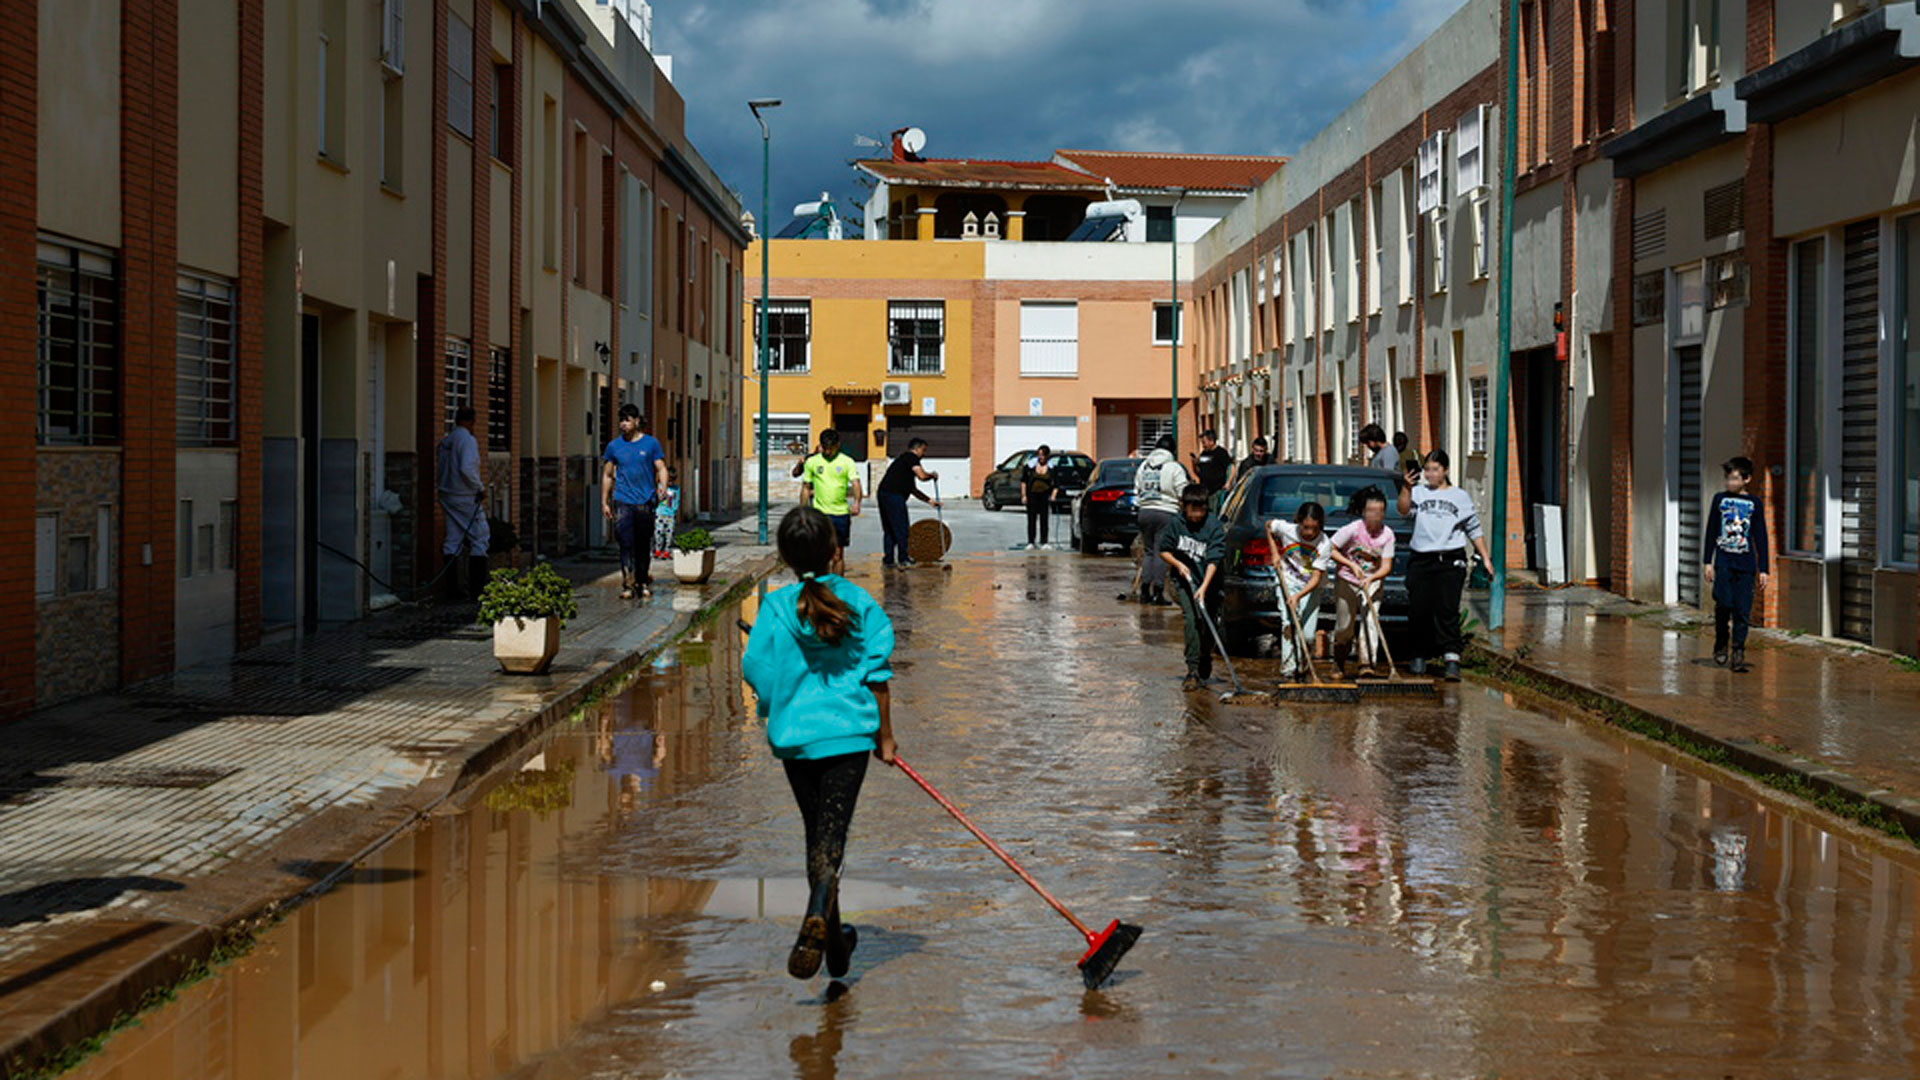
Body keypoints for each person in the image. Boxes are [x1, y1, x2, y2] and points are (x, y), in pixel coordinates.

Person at [742, 507, 897, 982]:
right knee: (831, 836)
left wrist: (775, 708)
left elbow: (758, 673)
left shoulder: (774, 607)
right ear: (835, 551)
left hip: (797, 742)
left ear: (784, 557)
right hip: (848, 738)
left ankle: (835, 949)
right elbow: (878, 676)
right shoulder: (859, 602)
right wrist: (885, 737)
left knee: (818, 834)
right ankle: (820, 915)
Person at [1396, 449, 1495, 681]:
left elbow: (1473, 529)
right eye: (1427, 469)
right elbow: (1403, 511)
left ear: (1446, 470)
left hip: (1450, 559)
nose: (1430, 474)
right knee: (1419, 609)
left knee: (1447, 609)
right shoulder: (1417, 492)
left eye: (1435, 470)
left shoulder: (1460, 496)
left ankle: (1451, 657)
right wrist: (1406, 488)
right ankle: (1419, 654)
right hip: (1422, 559)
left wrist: (1486, 559)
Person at [1704, 456, 1770, 673]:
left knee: (1742, 610)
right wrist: (1707, 561)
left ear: (1747, 479)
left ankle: (1738, 651)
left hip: (1746, 564)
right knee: (1724, 603)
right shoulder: (1719, 500)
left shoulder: (1755, 504)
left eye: (1734, 479)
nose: (1729, 483)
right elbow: (1711, 530)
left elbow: (1761, 537)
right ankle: (1721, 640)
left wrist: (1764, 569)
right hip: (1723, 561)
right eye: (1727, 479)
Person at [1158, 484, 1227, 692]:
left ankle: (1205, 655)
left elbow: (1214, 560)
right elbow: (1164, 550)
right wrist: (1178, 565)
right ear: (1184, 507)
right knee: (1192, 620)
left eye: (1201, 510)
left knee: (1207, 622)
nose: (1197, 515)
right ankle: (1192, 670)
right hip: (1185, 582)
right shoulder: (1176, 524)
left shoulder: (1214, 526)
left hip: (1210, 582)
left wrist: (1204, 587)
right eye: (1192, 510)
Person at [601, 404, 668, 600]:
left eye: (627, 420)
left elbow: (661, 468)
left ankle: (642, 581)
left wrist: (662, 486)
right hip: (623, 500)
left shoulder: (651, 444)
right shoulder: (614, 447)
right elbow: (607, 475)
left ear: (637, 421)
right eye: (621, 420)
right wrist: (605, 502)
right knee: (625, 543)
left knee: (642, 543)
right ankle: (628, 584)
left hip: (645, 501)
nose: (623, 424)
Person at [1328, 486, 1396, 678]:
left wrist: (1372, 578)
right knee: (1344, 626)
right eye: (1371, 511)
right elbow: (1330, 549)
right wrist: (1351, 564)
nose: (1376, 516)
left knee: (1371, 622)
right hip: (1348, 580)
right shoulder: (1351, 530)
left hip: (1372, 581)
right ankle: (1339, 660)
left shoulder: (1387, 535)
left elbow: (1386, 566)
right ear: (1364, 512)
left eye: (1380, 511)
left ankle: (1366, 664)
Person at [1265, 502, 1335, 680]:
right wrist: (1274, 552)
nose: (1309, 533)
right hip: (1287, 580)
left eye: (1314, 528)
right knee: (1288, 623)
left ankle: (1302, 666)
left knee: (1308, 634)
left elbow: (1316, 578)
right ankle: (1288, 670)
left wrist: (1298, 596)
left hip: (1311, 587)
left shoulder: (1324, 544)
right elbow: (1268, 526)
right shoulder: (1287, 528)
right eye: (1305, 528)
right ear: (1298, 522)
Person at [435, 405, 490, 600]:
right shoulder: (467, 440)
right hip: (464, 496)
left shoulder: (446, 442)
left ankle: (453, 591)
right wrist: (479, 487)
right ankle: (477, 590)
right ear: (470, 421)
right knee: (480, 537)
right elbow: (467, 467)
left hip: (447, 494)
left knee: (453, 539)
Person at [1133, 434, 1188, 605]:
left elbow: (1136, 489)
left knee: (1149, 552)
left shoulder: (1144, 466)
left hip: (1144, 512)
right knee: (1162, 553)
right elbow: (1183, 491)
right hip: (1166, 513)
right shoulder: (1174, 467)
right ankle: (1157, 592)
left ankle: (1144, 591)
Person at [801, 429, 863, 573]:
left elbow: (856, 484)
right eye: (825, 448)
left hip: (840, 514)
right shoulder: (812, 462)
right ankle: (819, 587)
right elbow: (805, 487)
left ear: (838, 445)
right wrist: (803, 510)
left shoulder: (847, 462)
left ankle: (837, 589)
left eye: (831, 448)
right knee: (818, 554)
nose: (828, 451)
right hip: (819, 514)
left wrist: (856, 503)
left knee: (837, 555)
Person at [876, 438, 940, 569]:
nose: (924, 454)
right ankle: (903, 558)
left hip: (883, 493)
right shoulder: (911, 457)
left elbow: (913, 490)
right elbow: (922, 476)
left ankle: (888, 560)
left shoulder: (903, 463)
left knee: (889, 529)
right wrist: (932, 475)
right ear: (917, 449)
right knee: (901, 527)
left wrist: (930, 501)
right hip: (893, 495)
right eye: (923, 450)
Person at [1022, 445, 1055, 550]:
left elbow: (1056, 484)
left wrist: (1053, 495)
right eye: (1039, 455)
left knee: (1044, 519)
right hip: (1032, 495)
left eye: (1043, 455)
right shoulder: (1030, 466)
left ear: (1047, 456)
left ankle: (1044, 541)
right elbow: (1024, 481)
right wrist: (1024, 495)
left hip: (1044, 495)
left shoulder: (1051, 468)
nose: (1041, 457)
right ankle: (1031, 541)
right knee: (1031, 519)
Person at [1190, 429, 1233, 507]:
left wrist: (1229, 482)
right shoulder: (1204, 454)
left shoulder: (1221, 453)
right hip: (1204, 491)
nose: (1203, 445)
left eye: (1204, 442)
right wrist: (1194, 464)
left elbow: (1232, 467)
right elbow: (1198, 472)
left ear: (1211, 441)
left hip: (1216, 491)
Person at [651, 466, 682, 560]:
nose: (670, 483)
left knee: (669, 533)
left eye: (672, 480)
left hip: (670, 514)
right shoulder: (659, 487)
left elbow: (677, 500)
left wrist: (674, 510)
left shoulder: (676, 489)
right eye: (669, 480)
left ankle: (666, 550)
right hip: (659, 513)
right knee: (658, 532)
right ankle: (657, 549)